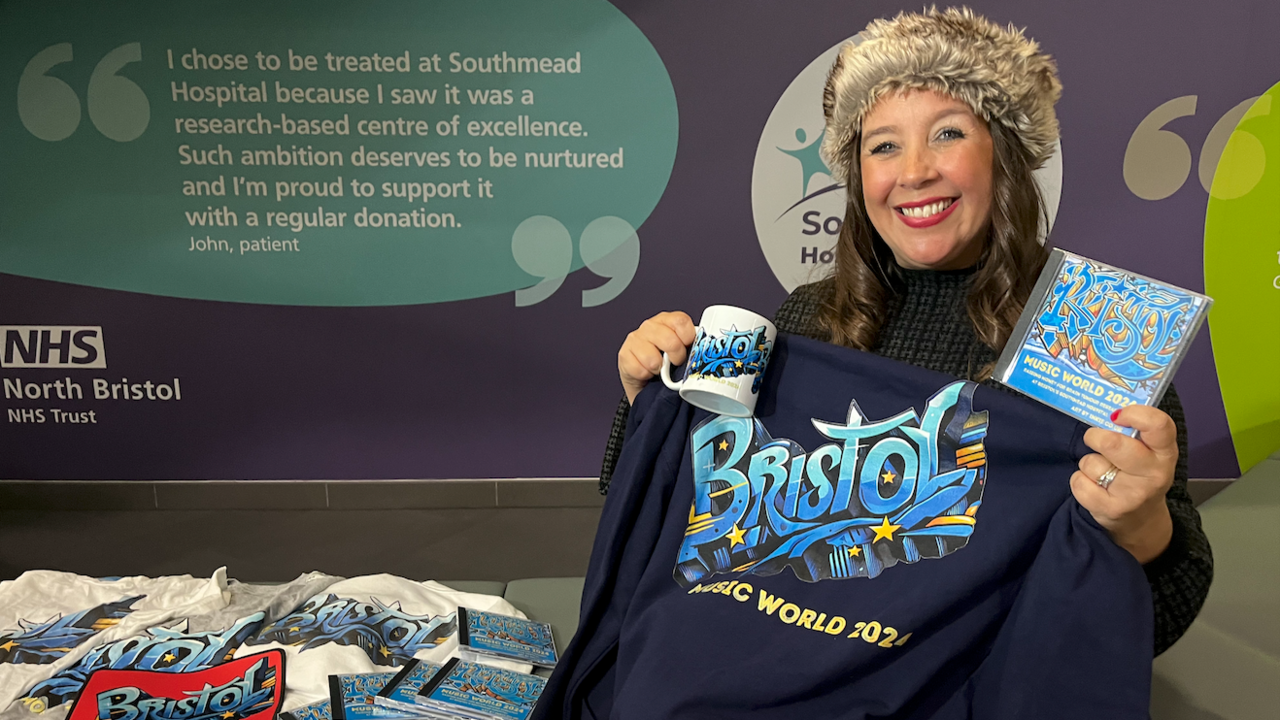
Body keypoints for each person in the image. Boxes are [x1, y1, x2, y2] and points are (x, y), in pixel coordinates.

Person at [602, 6, 1210, 656]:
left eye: (947, 134)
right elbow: (692, 525)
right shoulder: (807, 318)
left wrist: (1143, 527)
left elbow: (1154, 628)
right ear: (857, 174)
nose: (914, 171)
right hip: (802, 671)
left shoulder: (1090, 339)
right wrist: (650, 406)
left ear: (1004, 156)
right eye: (883, 145)